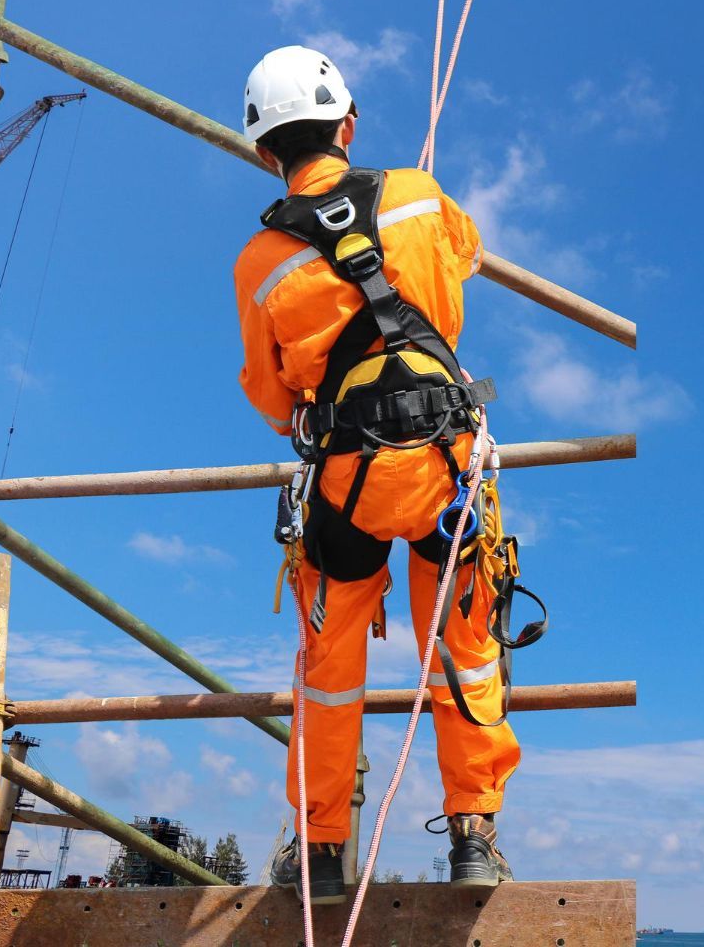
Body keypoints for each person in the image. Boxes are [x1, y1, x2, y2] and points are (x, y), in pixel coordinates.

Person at [233, 45, 518, 904]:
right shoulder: (419, 198)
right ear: (348, 124)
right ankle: (472, 835)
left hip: (345, 485)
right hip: (447, 471)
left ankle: (320, 851)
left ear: (264, 151)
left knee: (329, 670)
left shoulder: (260, 262)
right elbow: (463, 261)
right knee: (464, 650)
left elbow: (272, 398)